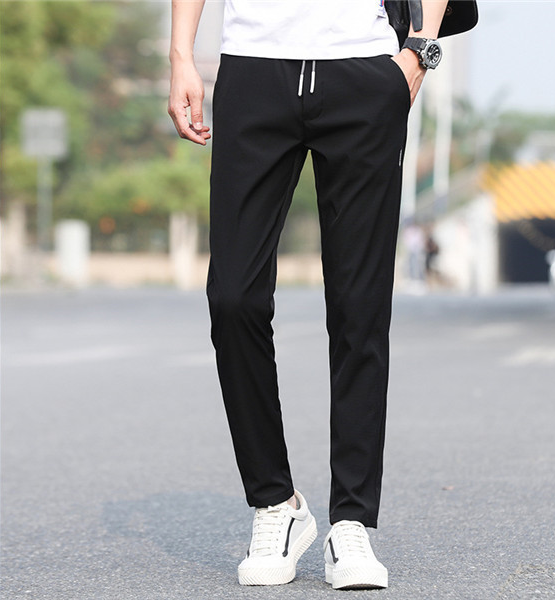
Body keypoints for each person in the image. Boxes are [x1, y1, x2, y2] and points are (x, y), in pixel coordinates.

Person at [168, 0, 449, 589]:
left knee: (359, 306)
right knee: (233, 297)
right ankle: (276, 504)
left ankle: (351, 522)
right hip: (252, 67)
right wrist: (181, 56)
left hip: (363, 70)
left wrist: (417, 52)